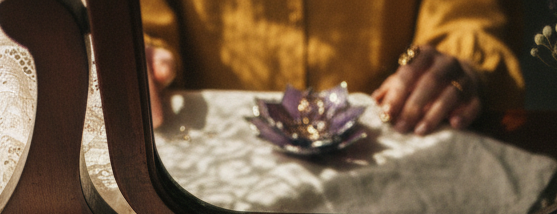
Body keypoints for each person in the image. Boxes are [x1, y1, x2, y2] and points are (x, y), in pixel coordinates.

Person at [141, 0, 524, 133]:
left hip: (393, 185)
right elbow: (138, 22)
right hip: (198, 200)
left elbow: (470, 18)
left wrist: (459, 65)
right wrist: (138, 52)